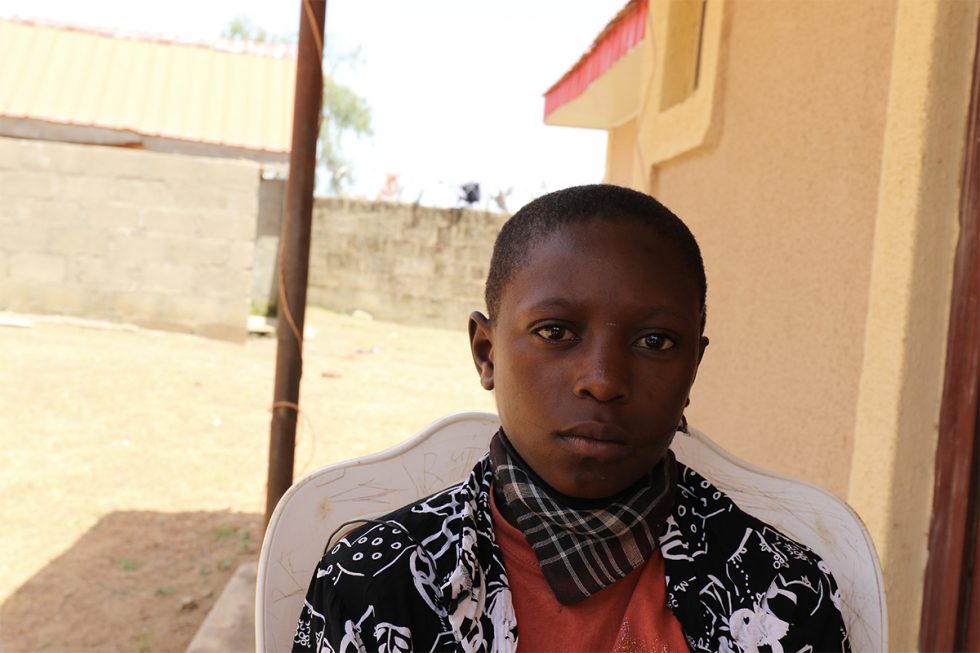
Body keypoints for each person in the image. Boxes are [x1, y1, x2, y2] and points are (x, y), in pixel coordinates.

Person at [293, 185, 850, 652]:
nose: (603, 380)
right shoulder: (376, 584)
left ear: (693, 370)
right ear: (487, 353)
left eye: (655, 341)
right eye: (555, 332)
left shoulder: (780, 593)